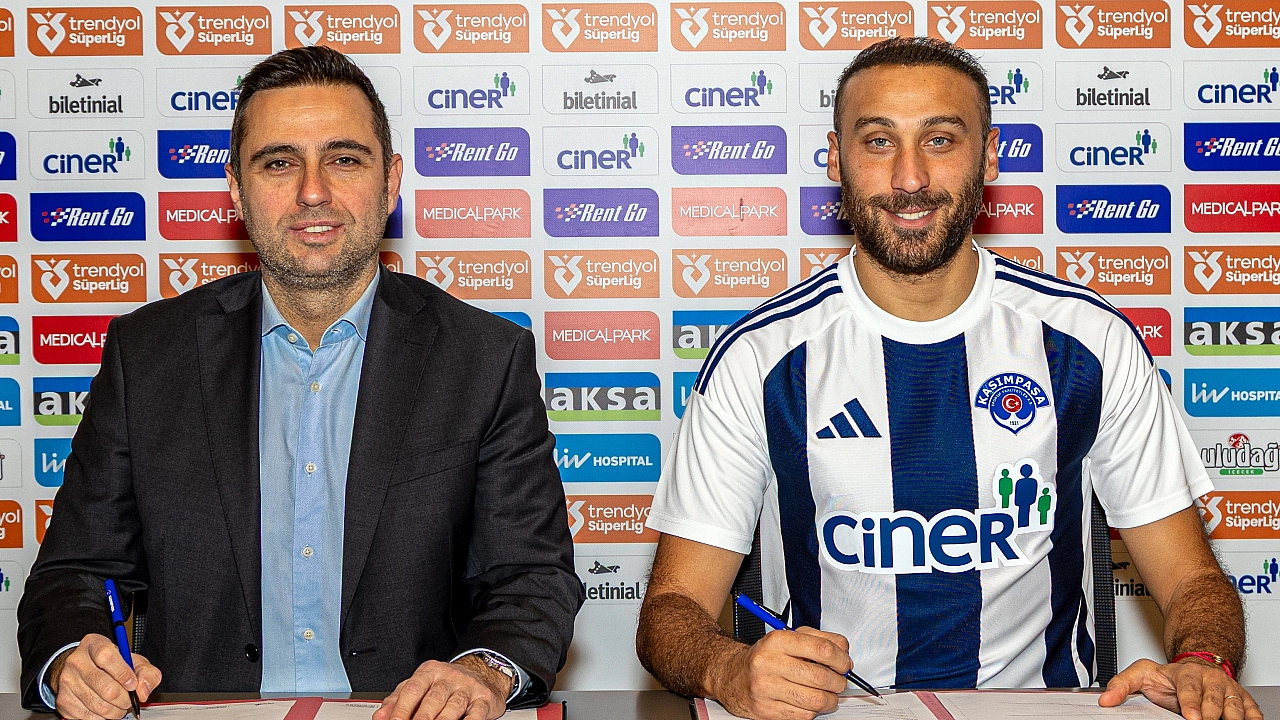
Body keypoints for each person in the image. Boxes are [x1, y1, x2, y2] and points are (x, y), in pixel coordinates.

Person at [636, 37, 1261, 720]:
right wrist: (726, 667)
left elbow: (1193, 581)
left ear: (989, 156)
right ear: (836, 159)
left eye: (940, 139)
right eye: (878, 141)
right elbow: (673, 610)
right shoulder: (759, 357)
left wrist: (1204, 664)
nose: (910, 177)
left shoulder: (1089, 342)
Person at [18, 46, 583, 720]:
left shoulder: (484, 358)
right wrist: (72, 660)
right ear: (236, 190)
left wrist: (483, 671)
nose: (313, 192)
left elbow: (530, 578)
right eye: (279, 163)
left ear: (390, 182)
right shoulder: (147, 356)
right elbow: (75, 573)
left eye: (344, 159)